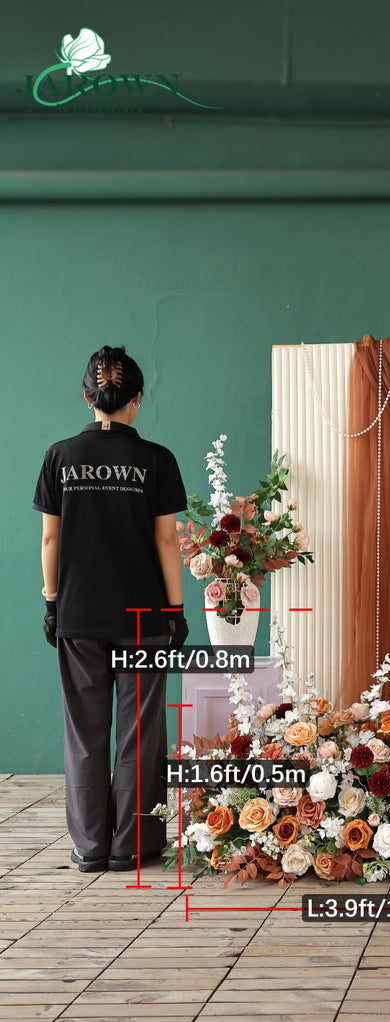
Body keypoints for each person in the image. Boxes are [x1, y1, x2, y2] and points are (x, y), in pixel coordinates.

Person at [33, 346, 189, 872]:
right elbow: (167, 541)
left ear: (87, 397)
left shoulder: (59, 457)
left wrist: (52, 603)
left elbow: (50, 540)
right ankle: (133, 847)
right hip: (144, 616)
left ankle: (91, 847)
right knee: (140, 731)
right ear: (137, 399)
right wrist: (175, 610)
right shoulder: (158, 460)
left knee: (85, 730)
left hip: (78, 613)